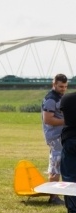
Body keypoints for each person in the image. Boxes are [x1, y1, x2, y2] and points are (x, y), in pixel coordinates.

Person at [42, 74, 67, 205]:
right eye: (61, 86)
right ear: (54, 84)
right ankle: (53, 197)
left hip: (61, 135)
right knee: (56, 165)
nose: (63, 89)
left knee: (58, 164)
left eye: (65, 86)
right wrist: (68, 121)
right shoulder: (51, 99)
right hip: (55, 136)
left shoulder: (59, 97)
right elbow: (48, 119)